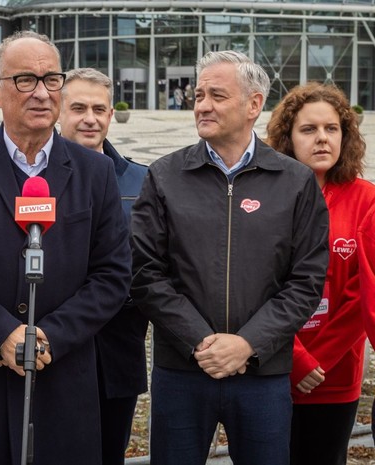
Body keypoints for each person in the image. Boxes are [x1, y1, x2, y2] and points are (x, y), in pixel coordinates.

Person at [0, 31, 131, 465]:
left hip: (62, 379)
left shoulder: (95, 172)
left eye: (51, 80)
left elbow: (112, 274)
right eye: (25, 80)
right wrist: (1, 333)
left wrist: (50, 336)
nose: (41, 93)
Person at [131, 50, 329, 465]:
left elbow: (306, 280)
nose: (202, 105)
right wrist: (200, 342)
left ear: (254, 104)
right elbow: (146, 273)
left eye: (217, 96)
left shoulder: (295, 182)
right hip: (182, 371)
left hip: (262, 374)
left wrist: (248, 343)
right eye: (199, 95)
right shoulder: (164, 176)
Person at [265, 82, 375, 465]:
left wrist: (319, 360)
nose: (322, 138)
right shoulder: (265, 197)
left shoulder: (366, 199)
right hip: (274, 364)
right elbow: (256, 282)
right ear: (287, 138)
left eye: (332, 128)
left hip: (336, 374)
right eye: (309, 129)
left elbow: (365, 294)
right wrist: (295, 356)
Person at [58, 67, 148, 465]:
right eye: (78, 108)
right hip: (54, 353)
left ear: (112, 114)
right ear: (60, 112)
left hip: (117, 356)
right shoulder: (32, 179)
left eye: (99, 109)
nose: (89, 118)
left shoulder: (143, 182)